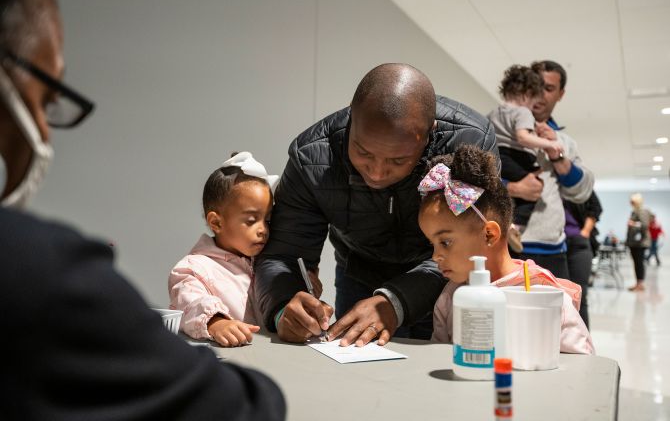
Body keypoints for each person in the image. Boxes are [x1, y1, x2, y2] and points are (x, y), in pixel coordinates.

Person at [0, 0, 285, 419]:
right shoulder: (36, 269)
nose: (42, 130)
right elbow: (236, 400)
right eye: (44, 98)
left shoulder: (269, 261)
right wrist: (213, 322)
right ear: (215, 220)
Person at [255, 63, 498, 347]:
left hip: (448, 277)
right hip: (359, 272)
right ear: (351, 116)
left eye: (398, 160)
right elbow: (283, 255)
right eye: (362, 152)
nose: (376, 172)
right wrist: (285, 306)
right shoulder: (311, 156)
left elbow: (473, 246)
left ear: (430, 132)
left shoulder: (470, 142)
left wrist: (395, 301)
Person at [417, 145, 593, 354]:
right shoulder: (450, 297)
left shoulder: (544, 295)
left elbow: (583, 366)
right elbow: (439, 356)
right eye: (432, 244)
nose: (436, 256)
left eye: (445, 242)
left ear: (489, 234)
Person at [169, 152, 303, 347]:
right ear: (216, 222)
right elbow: (190, 302)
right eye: (251, 220)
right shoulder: (192, 268)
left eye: (267, 220)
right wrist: (217, 322)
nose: (263, 230)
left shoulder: (266, 261)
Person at [504, 60, 594, 280]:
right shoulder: (499, 129)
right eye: (534, 84)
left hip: (552, 251)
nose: (540, 93)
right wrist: (512, 188)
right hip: (504, 246)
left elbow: (582, 191)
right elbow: (472, 181)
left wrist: (557, 154)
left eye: (549, 88)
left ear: (560, 94)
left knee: (556, 314)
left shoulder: (564, 142)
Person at [487, 64, 563, 233]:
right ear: (528, 94)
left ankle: (502, 221)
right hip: (516, 156)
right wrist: (550, 143)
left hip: (497, 158)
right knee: (535, 185)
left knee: (505, 193)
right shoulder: (523, 112)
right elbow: (523, 137)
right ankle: (516, 227)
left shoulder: (493, 113)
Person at [563, 191, 602, 328]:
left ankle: (583, 344)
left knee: (579, 295)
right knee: (558, 296)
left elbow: (596, 207)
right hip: (554, 245)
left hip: (578, 243)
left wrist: (585, 232)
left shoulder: (575, 183)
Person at [626, 193, 652, 291]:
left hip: (640, 243)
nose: (630, 203)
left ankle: (640, 284)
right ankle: (638, 283)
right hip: (635, 243)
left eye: (632, 201)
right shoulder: (635, 211)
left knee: (639, 263)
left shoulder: (642, 211)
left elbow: (644, 225)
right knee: (637, 263)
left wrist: (633, 223)